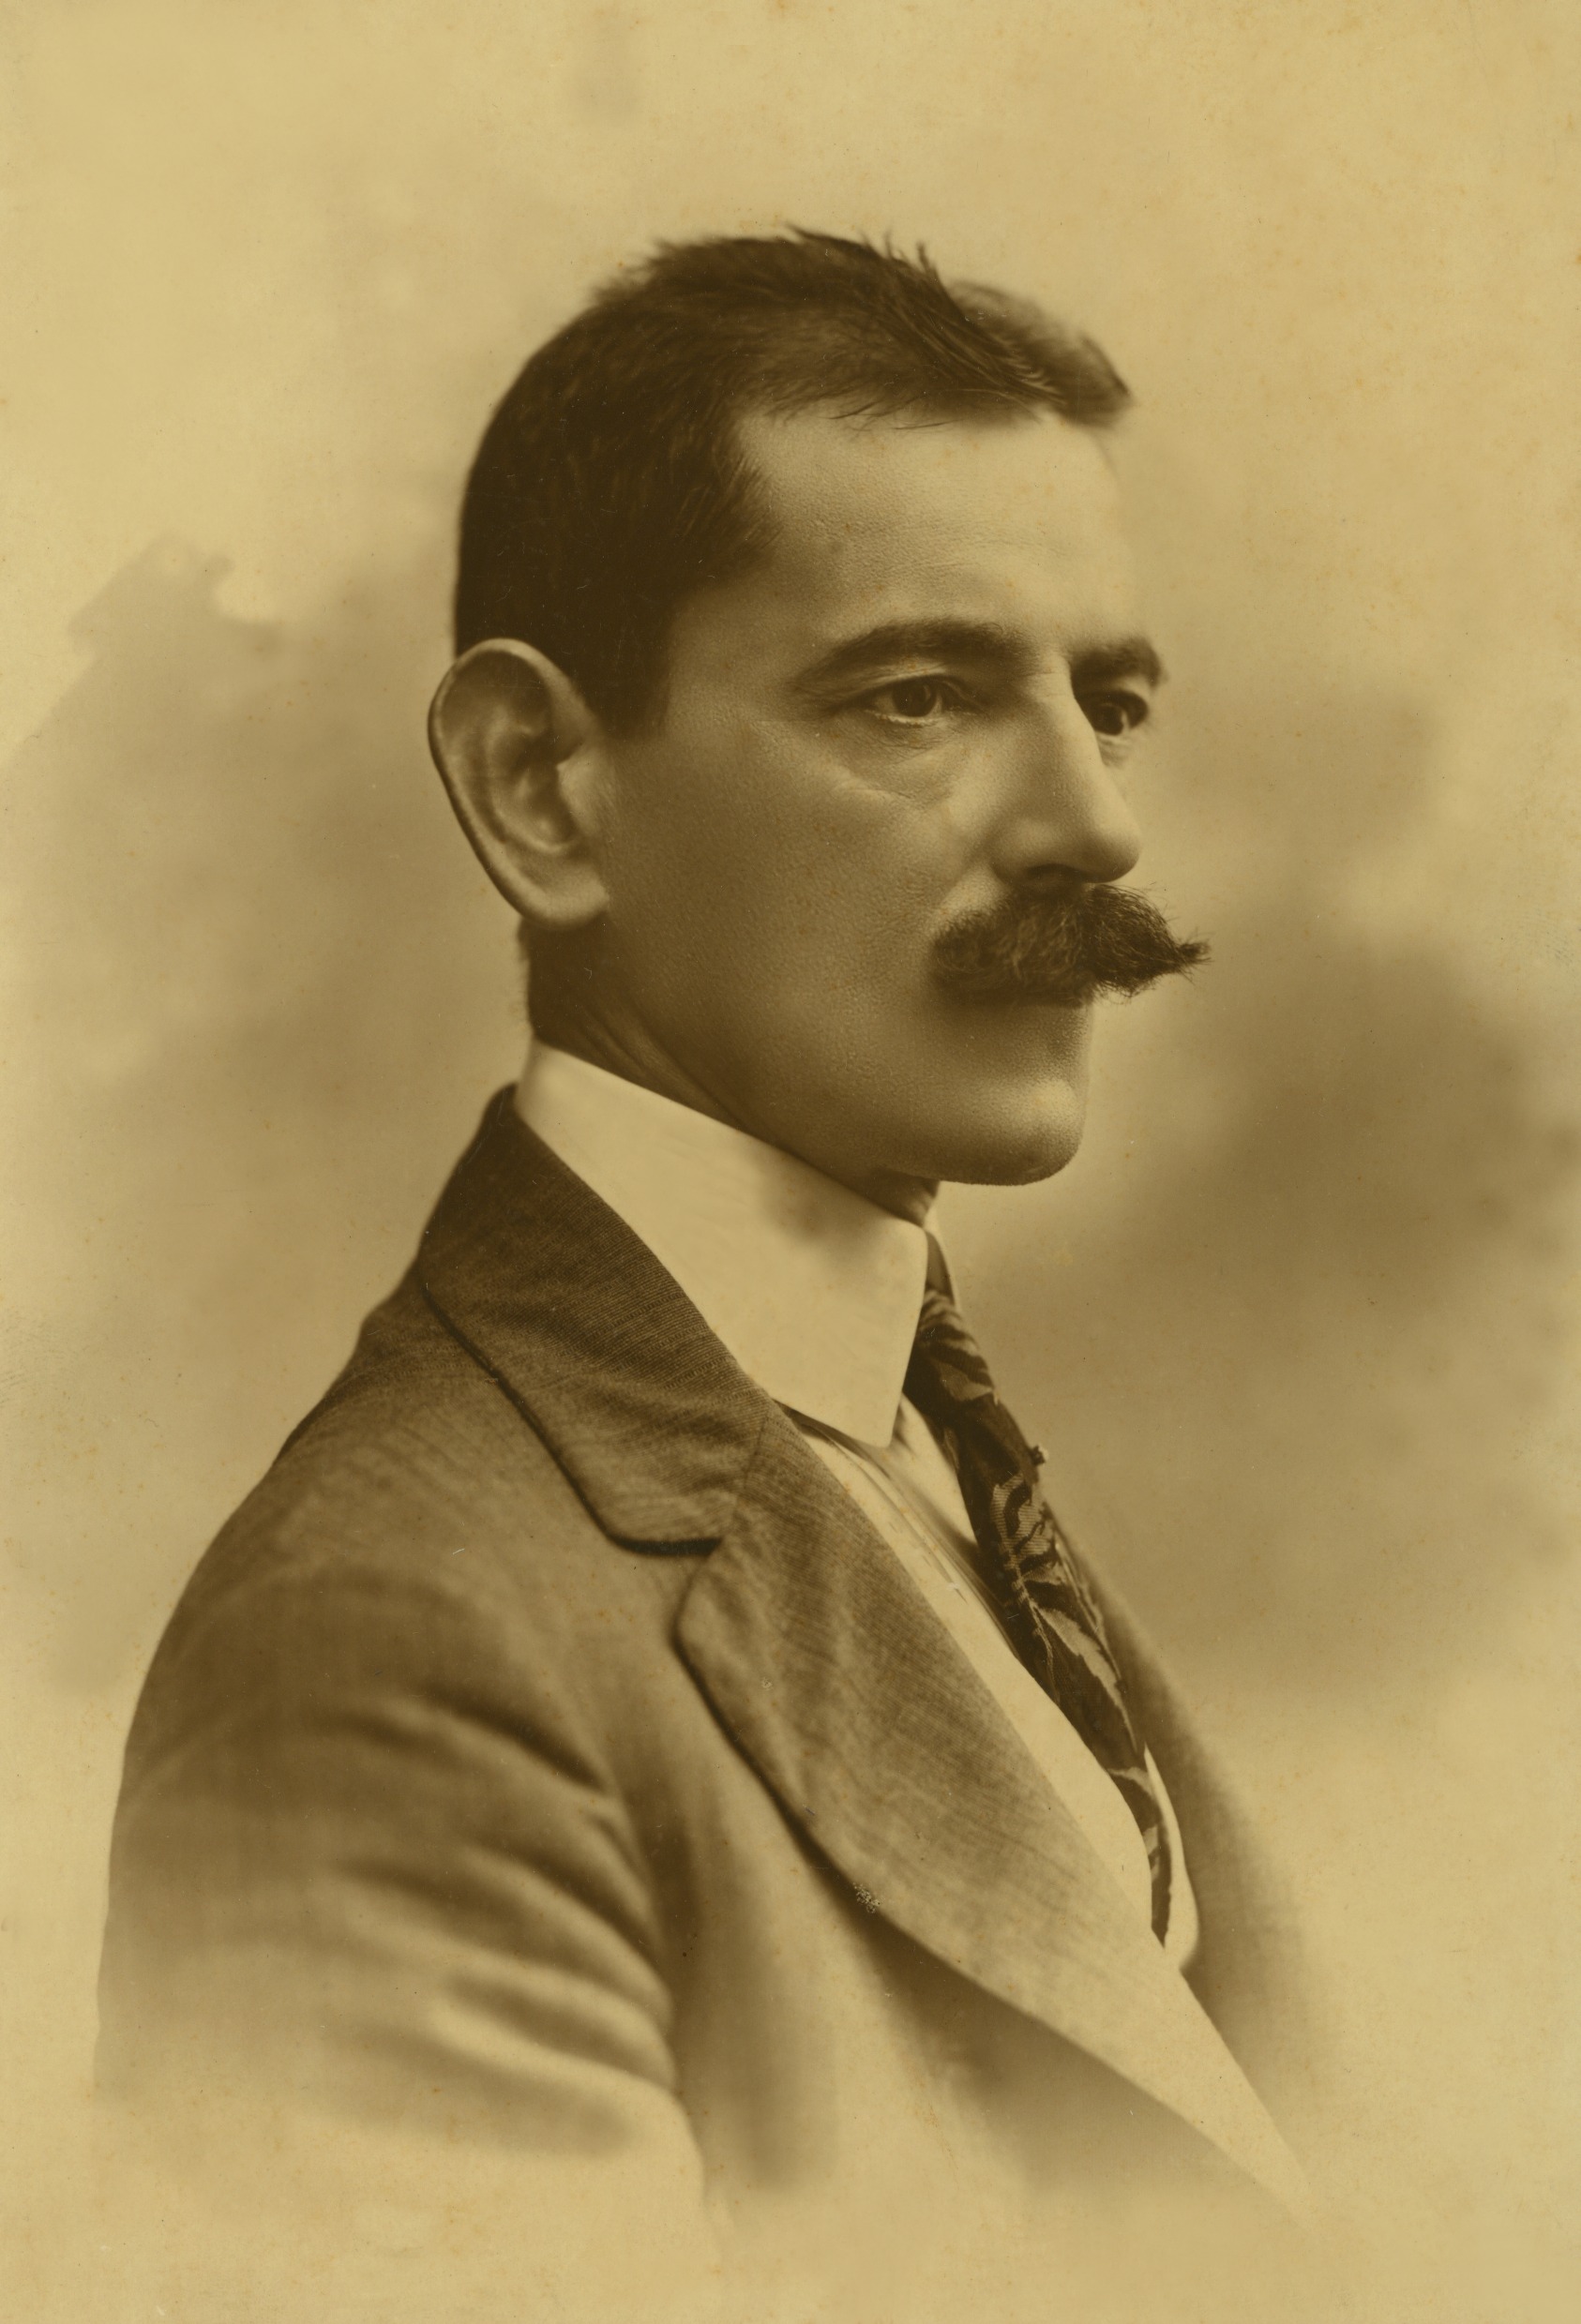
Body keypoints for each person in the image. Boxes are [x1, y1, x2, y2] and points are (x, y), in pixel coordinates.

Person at [98, 232, 1318, 2319]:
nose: (1094, 824)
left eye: (1106, 705)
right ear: (541, 789)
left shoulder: (907, 1447)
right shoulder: (392, 1648)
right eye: (918, 697)